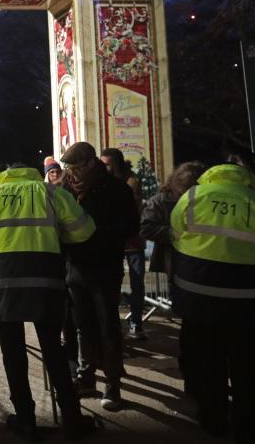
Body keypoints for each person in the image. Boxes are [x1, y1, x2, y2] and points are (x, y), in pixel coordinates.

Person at [0, 163, 98, 441]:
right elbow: (84, 230)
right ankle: (71, 417)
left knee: (13, 353)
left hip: (5, 281)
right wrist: (57, 236)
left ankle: (26, 419)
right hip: (45, 277)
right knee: (53, 348)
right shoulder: (51, 193)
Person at [170, 163, 255, 442]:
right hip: (251, 302)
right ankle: (250, 428)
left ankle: (213, 423)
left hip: (200, 299)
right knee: (247, 368)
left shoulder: (193, 197)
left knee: (210, 365)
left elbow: (176, 236)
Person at [61, 142, 139, 410]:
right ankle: (86, 376)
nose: (72, 173)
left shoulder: (116, 189)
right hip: (75, 267)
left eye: (77, 168)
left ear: (91, 164)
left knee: (108, 326)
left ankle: (112, 383)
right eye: (68, 168)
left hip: (105, 267)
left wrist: (95, 233)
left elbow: (131, 226)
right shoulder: (65, 188)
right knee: (81, 325)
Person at [101, 148, 147, 339]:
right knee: (111, 281)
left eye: (107, 164)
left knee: (137, 282)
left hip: (132, 239)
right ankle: (114, 322)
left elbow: (130, 209)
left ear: (116, 164)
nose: (104, 168)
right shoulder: (103, 182)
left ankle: (136, 322)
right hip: (114, 239)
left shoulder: (131, 182)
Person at [140, 162, 206, 276]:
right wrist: (175, 233)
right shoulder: (160, 201)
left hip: (201, 259)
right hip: (173, 260)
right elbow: (145, 228)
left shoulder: (205, 199)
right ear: (177, 187)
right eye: (185, 193)